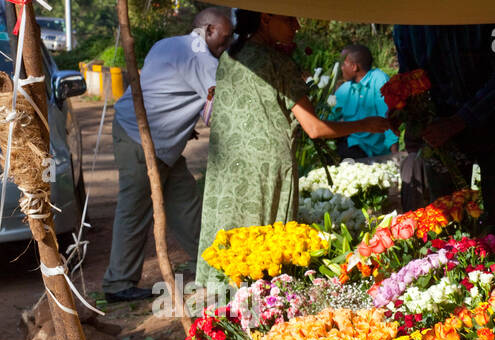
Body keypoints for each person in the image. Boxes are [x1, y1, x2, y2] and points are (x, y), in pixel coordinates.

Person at [195, 11, 390, 290]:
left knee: (232, 243)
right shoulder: (278, 63)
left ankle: (225, 310)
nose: (297, 27)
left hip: (228, 169)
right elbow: (315, 128)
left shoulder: (229, 57)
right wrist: (367, 124)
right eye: (289, 20)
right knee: (265, 249)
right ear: (265, 18)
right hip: (265, 171)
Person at [101, 7, 233, 303]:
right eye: (223, 40)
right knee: (135, 210)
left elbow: (165, 90)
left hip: (154, 142)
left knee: (187, 207)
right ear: (209, 30)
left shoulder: (169, 43)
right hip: (141, 140)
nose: (226, 47)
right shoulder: (202, 59)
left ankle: (214, 268)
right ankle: (118, 283)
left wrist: (184, 126)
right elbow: (221, 111)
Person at [391, 23, 495, 234]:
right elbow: (409, 76)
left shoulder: (494, 20)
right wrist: (401, 107)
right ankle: (454, 260)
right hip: (442, 130)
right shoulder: (406, 26)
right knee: (445, 214)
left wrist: (457, 121)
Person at [329, 44, 398, 161]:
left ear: (354, 67)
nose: (341, 68)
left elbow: (388, 117)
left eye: (343, 64)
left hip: (379, 152)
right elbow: (329, 118)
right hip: (353, 148)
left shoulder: (379, 80)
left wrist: (395, 155)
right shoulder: (344, 90)